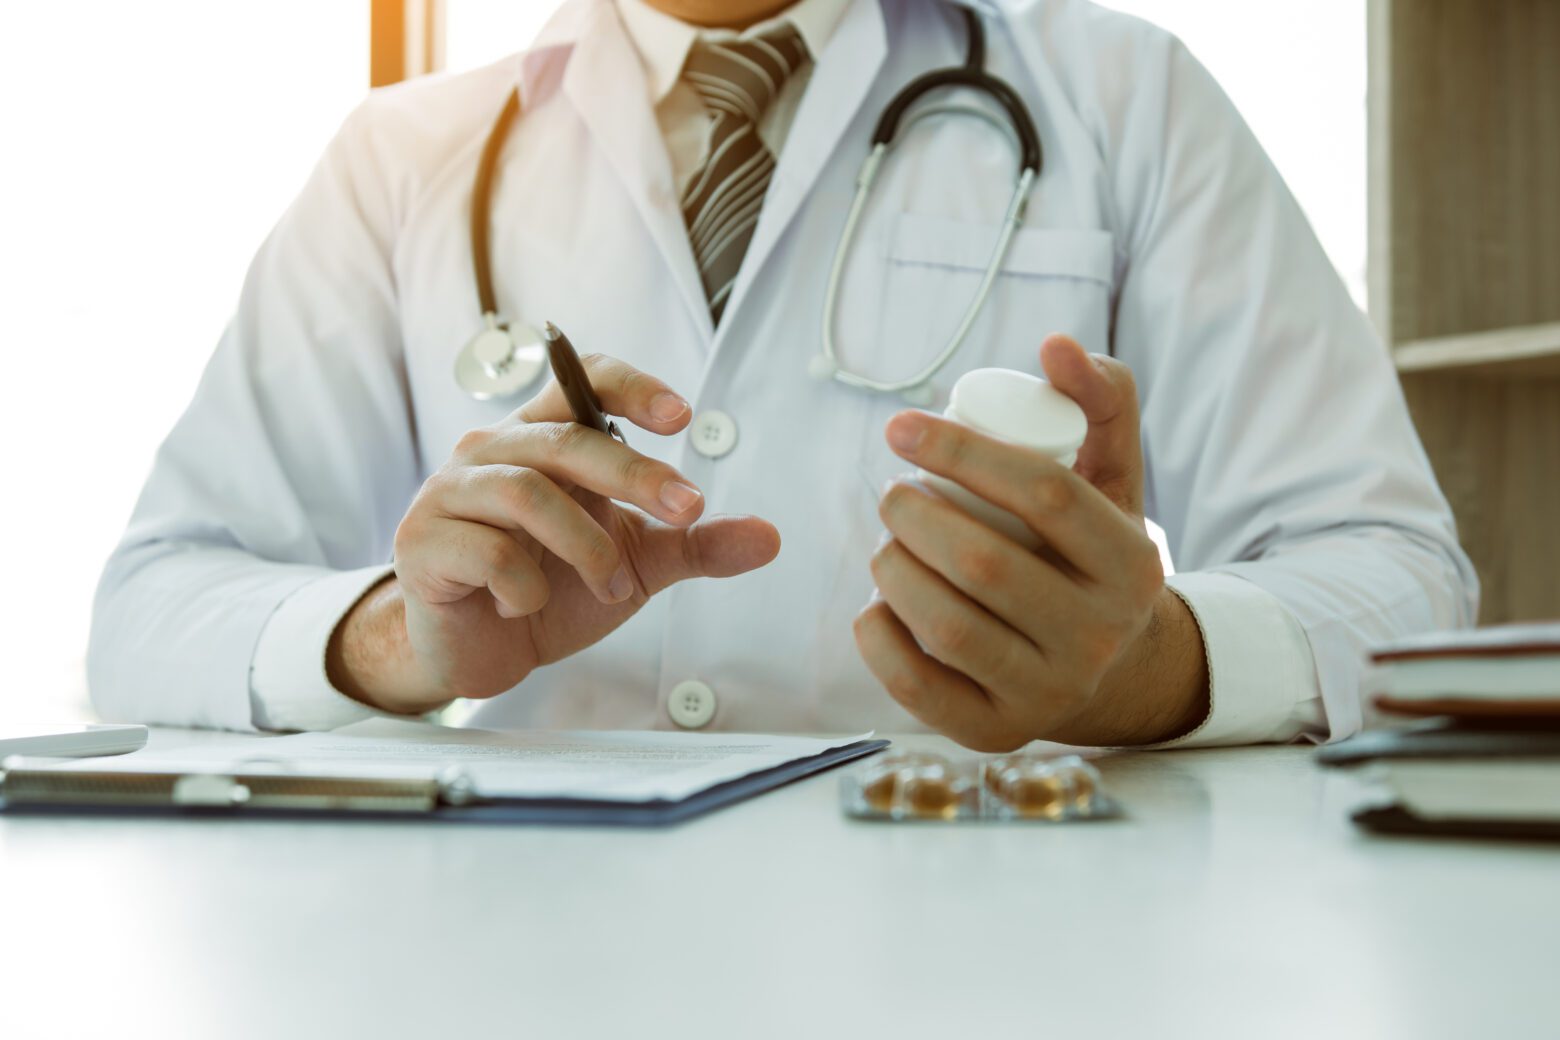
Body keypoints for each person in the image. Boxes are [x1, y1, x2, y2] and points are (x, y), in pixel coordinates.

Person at [88, 0, 1476, 750]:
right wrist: (398, 640)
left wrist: (1150, 668)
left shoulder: (1130, 97)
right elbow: (151, 605)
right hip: (527, 951)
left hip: (988, 941)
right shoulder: (400, 157)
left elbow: (1401, 580)